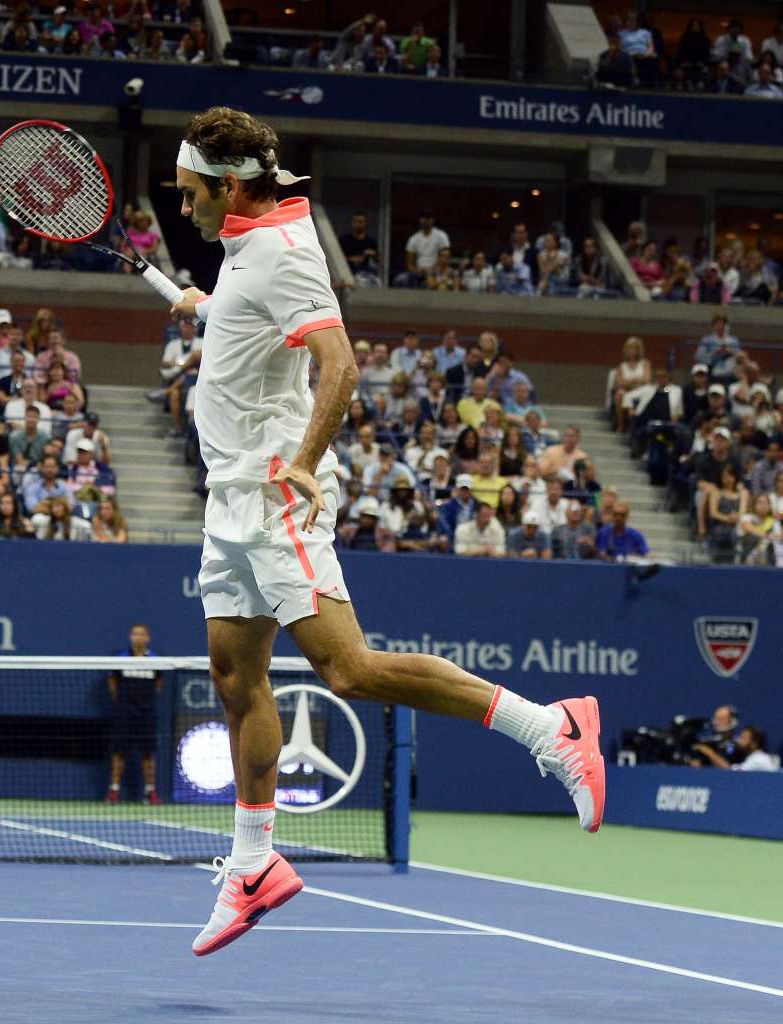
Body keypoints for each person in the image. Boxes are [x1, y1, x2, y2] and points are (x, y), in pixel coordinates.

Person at [167, 108, 604, 957]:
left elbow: (341, 365)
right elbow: (257, 315)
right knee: (235, 674)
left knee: (348, 669)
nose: (183, 209)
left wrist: (305, 460)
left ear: (231, 188)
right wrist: (210, 307)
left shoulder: (285, 253)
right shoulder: (247, 244)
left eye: (191, 194)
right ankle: (254, 864)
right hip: (229, 500)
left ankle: (552, 729)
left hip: (274, 493)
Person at [105, 623, 162, 805]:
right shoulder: (121, 658)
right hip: (124, 712)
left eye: (142, 634)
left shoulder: (155, 659)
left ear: (148, 638)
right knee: (119, 751)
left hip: (146, 712)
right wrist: (122, 703)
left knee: (148, 752)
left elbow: (158, 684)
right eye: (135, 634)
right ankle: (114, 790)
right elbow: (112, 682)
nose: (138, 637)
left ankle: (150, 791)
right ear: (130, 637)